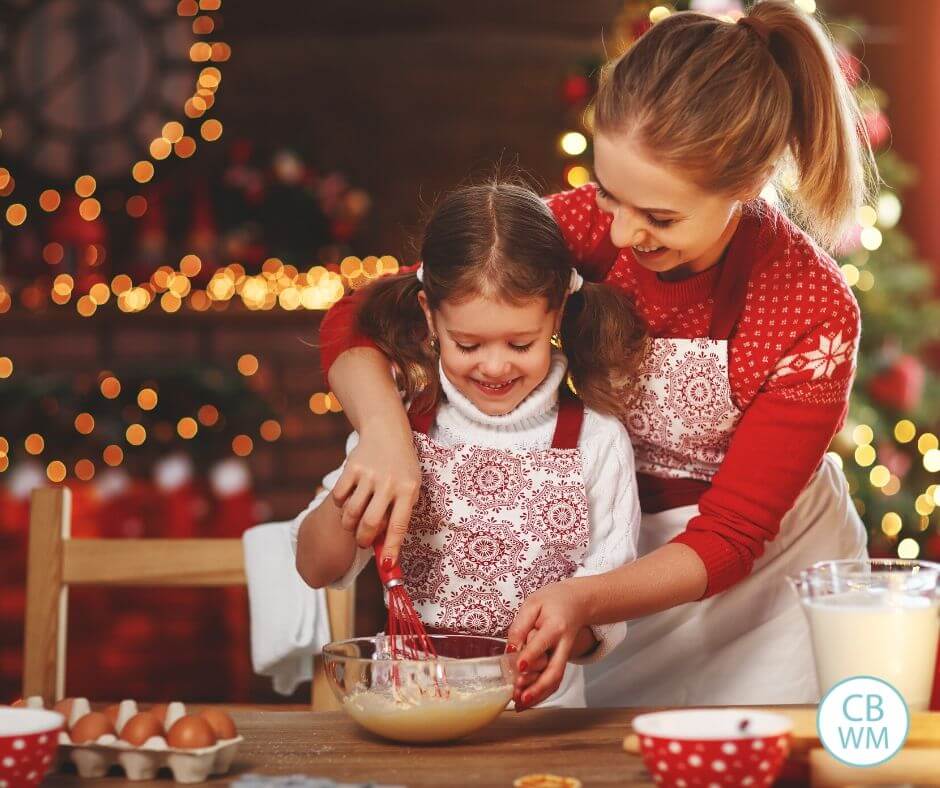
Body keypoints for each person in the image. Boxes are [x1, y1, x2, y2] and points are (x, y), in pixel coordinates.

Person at [314, 0, 874, 706]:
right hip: (611, 575)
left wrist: (586, 599)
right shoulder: (583, 227)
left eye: (661, 218)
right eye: (611, 196)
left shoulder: (812, 309)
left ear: (749, 182)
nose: (625, 233)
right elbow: (359, 316)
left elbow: (732, 537)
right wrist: (385, 436)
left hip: (767, 599)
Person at [292, 182, 644, 707]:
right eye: (469, 344)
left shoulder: (596, 441)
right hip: (411, 715)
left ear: (559, 315)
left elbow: (606, 608)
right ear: (430, 316)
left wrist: (569, 624)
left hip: (540, 725)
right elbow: (315, 567)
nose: (496, 366)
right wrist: (351, 500)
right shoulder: (400, 428)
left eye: (521, 344)